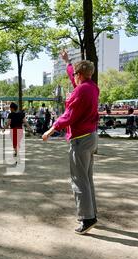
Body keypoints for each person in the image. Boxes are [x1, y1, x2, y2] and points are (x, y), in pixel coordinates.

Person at [42, 50, 99, 235]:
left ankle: (87, 218)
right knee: (87, 178)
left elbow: (69, 115)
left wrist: (51, 130)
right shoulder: (92, 87)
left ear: (80, 74)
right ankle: (92, 213)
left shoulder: (81, 90)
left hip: (80, 139)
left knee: (78, 180)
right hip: (91, 136)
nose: (73, 77)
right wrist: (68, 62)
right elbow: (76, 82)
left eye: (75, 73)